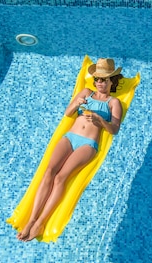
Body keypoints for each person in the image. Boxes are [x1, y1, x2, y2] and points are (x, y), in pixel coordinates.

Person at [17, 58, 124, 242]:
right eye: (97, 79)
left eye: (104, 80)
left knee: (60, 178)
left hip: (87, 144)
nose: (100, 83)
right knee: (49, 172)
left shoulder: (114, 103)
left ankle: (41, 222)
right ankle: (31, 219)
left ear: (111, 81)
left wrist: (102, 122)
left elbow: (114, 129)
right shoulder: (86, 93)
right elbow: (68, 113)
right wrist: (77, 103)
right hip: (69, 137)